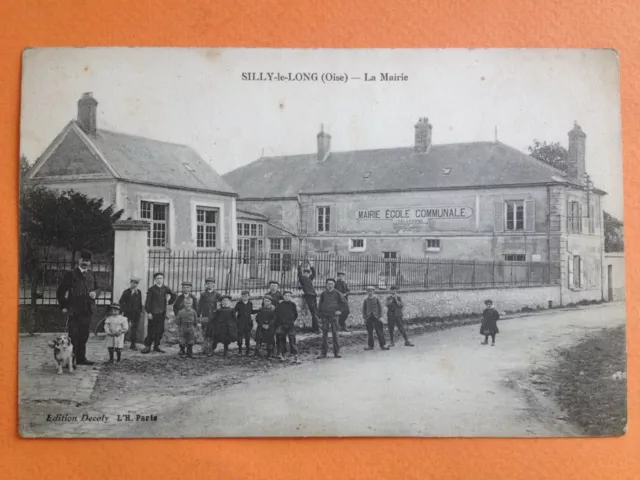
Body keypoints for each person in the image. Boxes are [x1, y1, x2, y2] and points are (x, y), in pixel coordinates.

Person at [56, 250, 101, 365]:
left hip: (88, 310)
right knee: (73, 335)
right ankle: (72, 360)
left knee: (84, 335)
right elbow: (61, 291)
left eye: (87, 261)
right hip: (74, 310)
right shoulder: (71, 274)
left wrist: (95, 293)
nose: (85, 263)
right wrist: (64, 306)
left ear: (90, 262)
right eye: (83, 260)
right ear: (79, 260)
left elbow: (98, 288)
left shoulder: (92, 274)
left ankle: (81, 358)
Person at [142, 272, 177, 354]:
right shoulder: (151, 289)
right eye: (157, 278)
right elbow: (148, 302)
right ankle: (148, 346)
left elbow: (174, 294)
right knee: (151, 330)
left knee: (159, 330)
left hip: (162, 312)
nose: (159, 280)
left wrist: (170, 302)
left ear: (163, 279)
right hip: (153, 313)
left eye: (161, 278)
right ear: (155, 279)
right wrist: (149, 312)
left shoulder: (165, 288)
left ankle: (156, 346)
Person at [317, 278, 348, 359]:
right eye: (328, 284)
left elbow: (345, 304)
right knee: (324, 335)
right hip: (325, 316)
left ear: (334, 285)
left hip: (334, 316)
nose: (330, 286)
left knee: (335, 333)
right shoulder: (323, 293)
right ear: (326, 285)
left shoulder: (337, 293)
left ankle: (336, 352)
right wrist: (319, 314)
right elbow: (320, 304)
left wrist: (340, 311)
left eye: (331, 284)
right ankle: (323, 353)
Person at [197, 278, 222, 355]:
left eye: (211, 283)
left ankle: (211, 348)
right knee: (205, 332)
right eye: (208, 283)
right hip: (205, 316)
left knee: (212, 333)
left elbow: (221, 305)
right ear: (206, 285)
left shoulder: (217, 294)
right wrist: (198, 315)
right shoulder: (203, 294)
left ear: (214, 284)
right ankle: (205, 348)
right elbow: (200, 305)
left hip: (213, 317)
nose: (210, 285)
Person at [118, 276, 143, 350]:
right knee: (124, 328)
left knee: (134, 329)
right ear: (130, 283)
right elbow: (121, 302)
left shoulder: (139, 292)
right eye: (133, 283)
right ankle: (120, 344)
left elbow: (140, 303)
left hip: (136, 314)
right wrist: (125, 310)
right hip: (127, 313)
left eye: (136, 283)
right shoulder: (126, 292)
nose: (134, 285)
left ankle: (133, 345)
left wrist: (140, 311)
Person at [362, 286, 389, 351]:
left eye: (371, 291)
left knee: (379, 331)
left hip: (376, 317)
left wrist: (380, 316)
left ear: (374, 291)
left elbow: (380, 308)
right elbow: (364, 309)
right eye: (368, 291)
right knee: (370, 332)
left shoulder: (376, 299)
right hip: (368, 318)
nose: (370, 292)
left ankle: (383, 345)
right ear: (367, 292)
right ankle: (370, 346)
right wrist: (365, 317)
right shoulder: (366, 300)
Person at [275, 290, 299, 362]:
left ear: (290, 297)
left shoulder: (293, 305)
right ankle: (283, 355)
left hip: (290, 325)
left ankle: (296, 356)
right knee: (282, 340)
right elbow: (278, 315)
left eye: (289, 296)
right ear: (283, 296)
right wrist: (282, 322)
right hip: (282, 325)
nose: (287, 297)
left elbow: (295, 315)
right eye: (286, 296)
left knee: (292, 340)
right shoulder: (280, 305)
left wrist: (290, 322)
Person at [297, 261, 319, 332]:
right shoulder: (302, 279)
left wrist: (311, 265)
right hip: (308, 296)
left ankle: (315, 327)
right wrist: (299, 265)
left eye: (307, 273)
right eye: (305, 273)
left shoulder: (310, 279)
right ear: (303, 274)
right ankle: (316, 329)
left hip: (313, 295)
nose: (306, 274)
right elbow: (299, 273)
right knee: (314, 313)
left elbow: (314, 273)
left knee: (315, 312)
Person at [234, 290, 255, 356]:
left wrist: (259, 310)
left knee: (247, 337)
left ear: (248, 297)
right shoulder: (239, 303)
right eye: (243, 296)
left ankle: (247, 351)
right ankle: (240, 350)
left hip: (248, 323)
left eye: (246, 296)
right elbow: (234, 311)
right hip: (240, 322)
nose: (244, 297)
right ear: (241, 297)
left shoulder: (250, 303)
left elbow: (251, 312)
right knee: (240, 336)